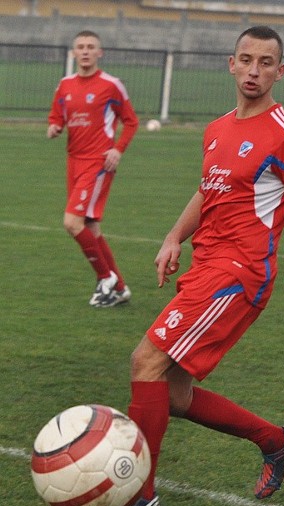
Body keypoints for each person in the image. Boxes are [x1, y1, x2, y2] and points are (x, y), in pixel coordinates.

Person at [124, 26, 284, 506]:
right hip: (206, 267)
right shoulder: (217, 129)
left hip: (239, 274)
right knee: (173, 393)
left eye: (266, 63)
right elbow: (209, 189)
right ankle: (275, 439)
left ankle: (139, 493)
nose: (254, 70)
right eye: (246, 60)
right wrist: (176, 236)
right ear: (231, 64)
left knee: (145, 363)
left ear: (281, 73)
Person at [47, 30, 139, 307]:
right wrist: (54, 126)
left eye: (90, 47)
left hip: (98, 163)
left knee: (72, 222)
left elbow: (131, 121)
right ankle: (120, 287)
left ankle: (105, 277)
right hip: (73, 161)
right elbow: (57, 114)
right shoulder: (64, 85)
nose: (85, 51)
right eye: (80, 47)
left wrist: (117, 149)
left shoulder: (111, 85)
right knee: (91, 227)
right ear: (73, 53)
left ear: (100, 53)